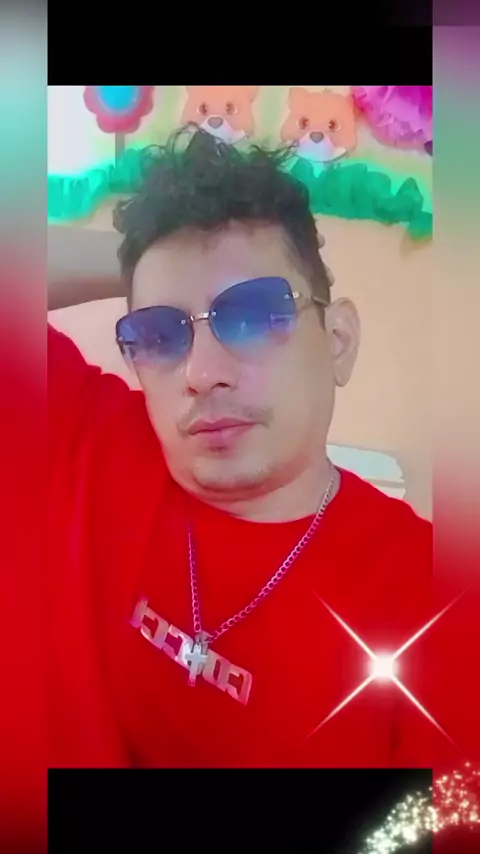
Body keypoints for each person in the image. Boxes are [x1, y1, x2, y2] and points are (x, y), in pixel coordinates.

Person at [49, 127, 436, 769]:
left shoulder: (433, 596)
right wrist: (142, 265)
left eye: (255, 314)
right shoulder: (95, 439)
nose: (202, 372)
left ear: (337, 341)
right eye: (159, 332)